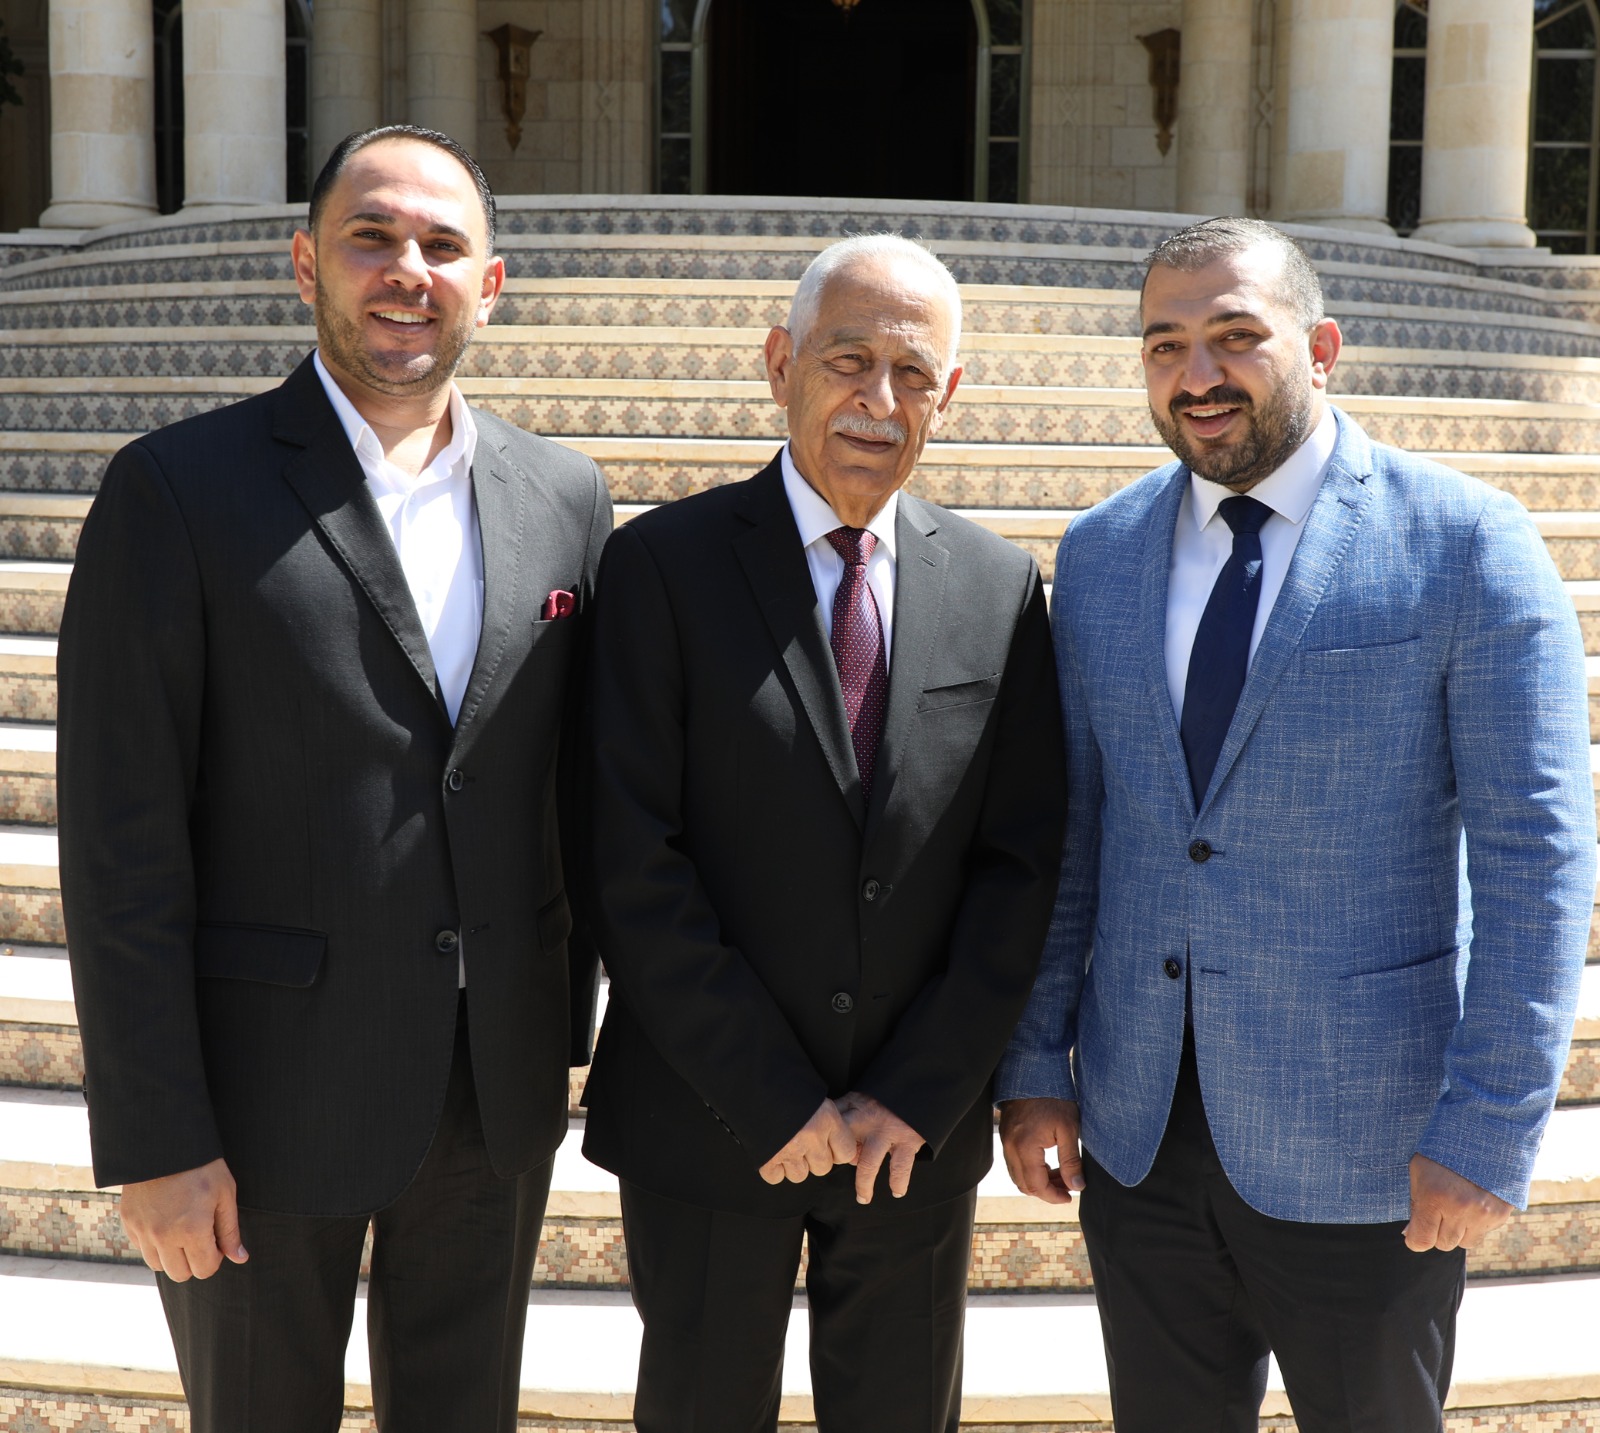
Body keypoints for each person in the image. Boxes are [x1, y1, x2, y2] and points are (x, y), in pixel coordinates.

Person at [997, 215, 1595, 1432]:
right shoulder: (1100, 553)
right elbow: (1076, 833)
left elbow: (1536, 859)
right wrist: (1035, 1062)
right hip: (1139, 1132)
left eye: (1234, 336)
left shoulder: (1467, 543)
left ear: (1320, 346)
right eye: (1164, 345)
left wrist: (1488, 1126)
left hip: (1371, 1146)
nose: (1197, 374)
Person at [56, 125, 612, 1433]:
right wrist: (156, 1136)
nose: (408, 268)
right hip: (257, 1105)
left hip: (490, 1097)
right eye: (373, 237)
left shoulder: (565, 496)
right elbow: (120, 841)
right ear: (307, 263)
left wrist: (570, 1039)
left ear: (491, 285)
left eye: (443, 245)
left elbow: (577, 795)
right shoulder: (176, 490)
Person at [580, 233, 1065, 1432]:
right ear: (778, 363)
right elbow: (628, 858)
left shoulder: (998, 587)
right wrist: (772, 1095)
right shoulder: (659, 566)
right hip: (707, 1119)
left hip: (912, 1135)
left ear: (950, 395)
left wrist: (922, 1090)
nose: (877, 399)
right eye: (848, 360)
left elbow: (1017, 866)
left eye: (912, 373)